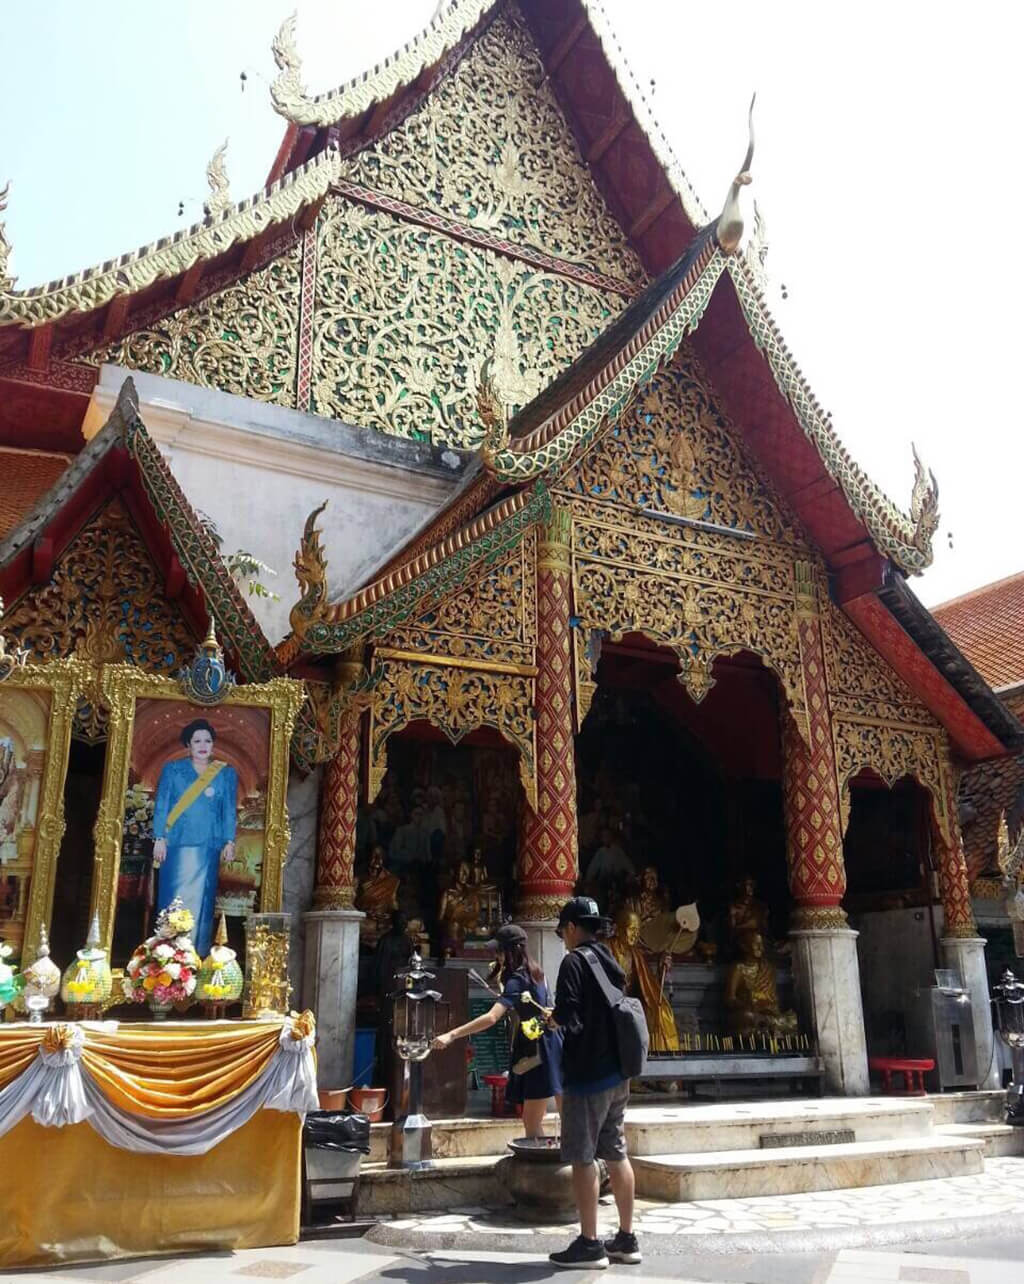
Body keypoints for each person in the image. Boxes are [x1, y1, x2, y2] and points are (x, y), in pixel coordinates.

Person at [547, 896, 641, 1270]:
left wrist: (551, 1020)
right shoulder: (607, 957)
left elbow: (568, 1013)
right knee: (616, 1151)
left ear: (571, 928)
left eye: (563, 931)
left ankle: (589, 1244)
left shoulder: (573, 961)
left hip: (588, 1075)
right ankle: (626, 1238)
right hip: (619, 1072)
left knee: (584, 1157)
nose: (563, 938)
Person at [431, 923, 562, 1140]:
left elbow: (492, 1017)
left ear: (510, 952)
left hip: (535, 1049)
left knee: (532, 1123)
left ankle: (545, 1167)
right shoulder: (538, 973)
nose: (497, 956)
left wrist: (452, 1034)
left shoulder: (517, 979)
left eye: (499, 951)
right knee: (560, 1117)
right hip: (553, 1041)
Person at [152, 718, 237, 957]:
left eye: (207, 740)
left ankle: (196, 958)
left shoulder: (225, 773)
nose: (203, 745)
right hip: (176, 844)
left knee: (202, 901)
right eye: (197, 740)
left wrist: (229, 840)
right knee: (174, 898)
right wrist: (159, 837)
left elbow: (228, 809)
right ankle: (165, 957)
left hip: (209, 845)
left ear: (213, 744)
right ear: (188, 745)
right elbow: (163, 805)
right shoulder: (173, 769)